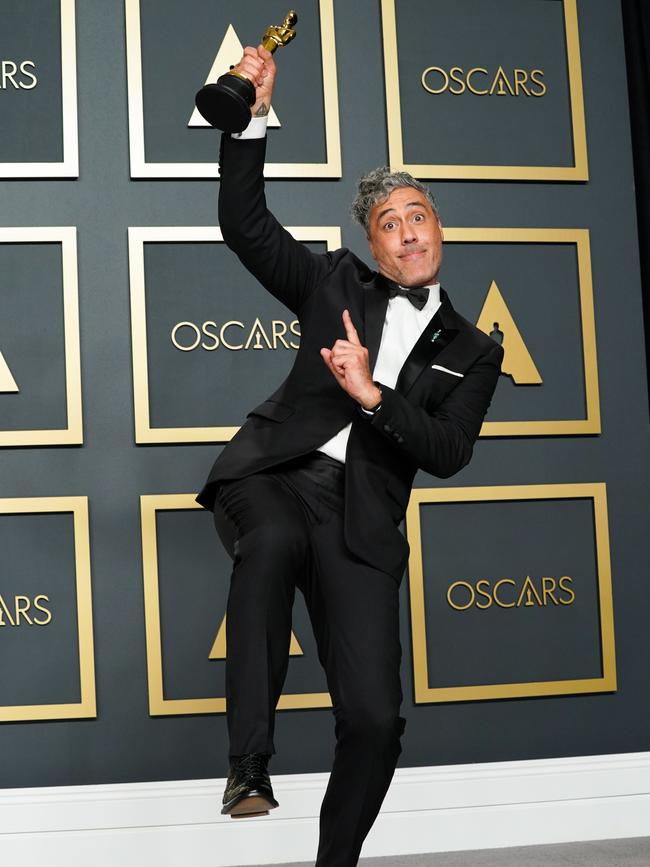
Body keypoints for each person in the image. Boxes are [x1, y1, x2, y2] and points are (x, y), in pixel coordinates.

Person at [195, 44, 504, 866]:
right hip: (273, 476)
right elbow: (245, 225)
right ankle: (247, 767)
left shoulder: (474, 349)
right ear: (371, 247)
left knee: (374, 720)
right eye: (388, 223)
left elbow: (447, 451)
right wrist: (252, 118)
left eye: (417, 216)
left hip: (362, 518)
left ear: (439, 227)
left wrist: (372, 395)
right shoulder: (333, 283)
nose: (407, 232)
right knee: (270, 543)